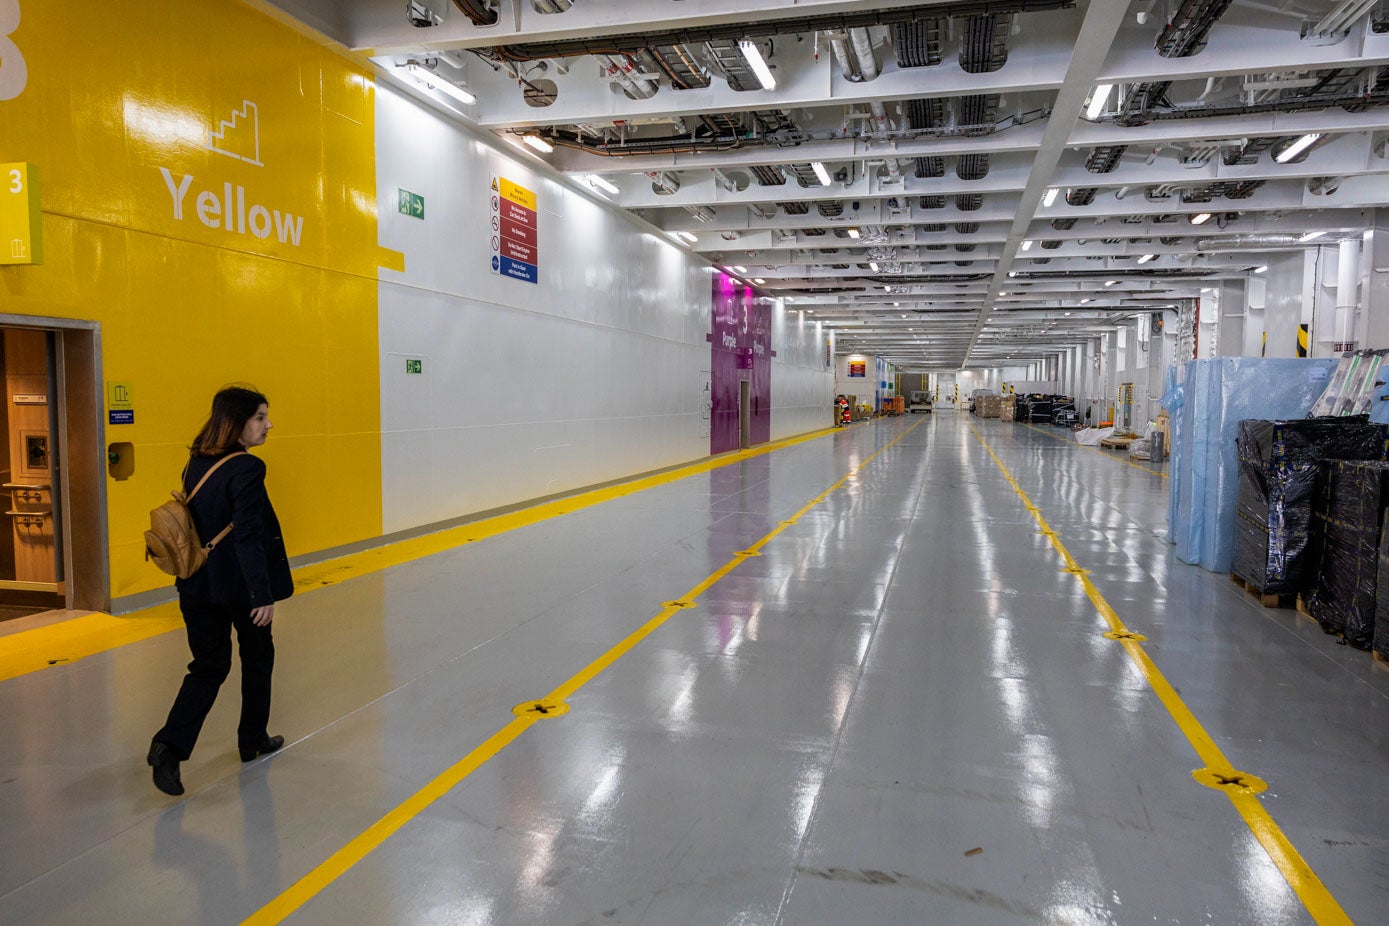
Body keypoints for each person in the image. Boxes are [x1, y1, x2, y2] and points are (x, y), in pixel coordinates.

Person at [147, 386, 293, 796]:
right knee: (258, 656)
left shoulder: (196, 461)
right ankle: (252, 739)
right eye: (260, 417)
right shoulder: (247, 468)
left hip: (196, 584)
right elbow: (248, 535)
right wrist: (261, 595)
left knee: (208, 666)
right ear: (238, 422)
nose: (268, 425)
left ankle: (168, 747)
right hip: (239, 587)